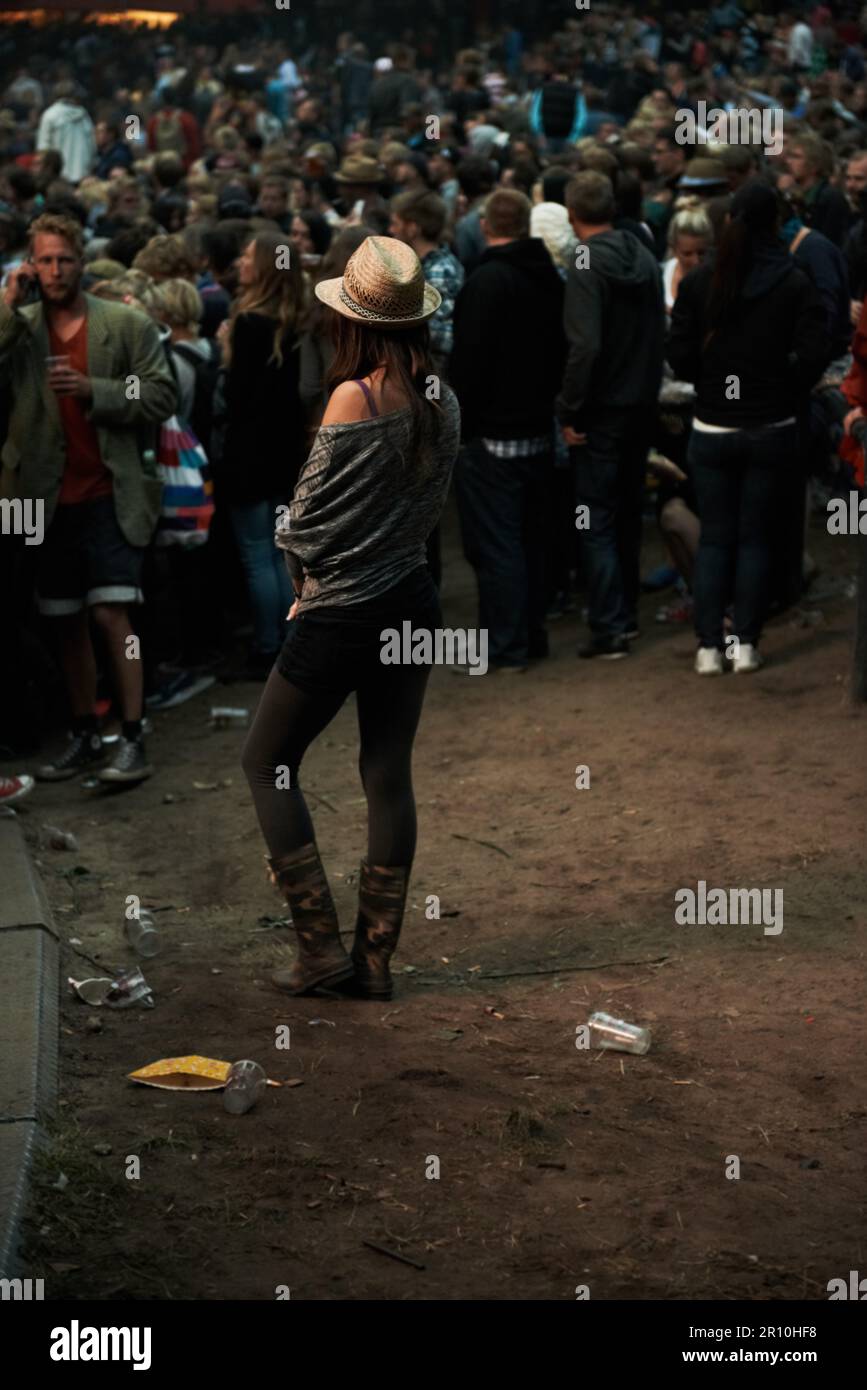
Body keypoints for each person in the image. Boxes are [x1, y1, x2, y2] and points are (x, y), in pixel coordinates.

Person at [240, 235, 460, 1000]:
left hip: (339, 613)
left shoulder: (351, 398)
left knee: (265, 762)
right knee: (386, 771)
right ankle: (373, 962)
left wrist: (301, 570)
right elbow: (426, 509)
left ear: (353, 321)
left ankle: (319, 951)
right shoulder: (443, 399)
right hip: (410, 601)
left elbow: (305, 518)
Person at [0, 213, 176, 781]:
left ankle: (132, 732)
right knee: (64, 619)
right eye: (45, 260)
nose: (55, 270)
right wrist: (6, 305)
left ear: (81, 260)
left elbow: (157, 391)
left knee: (110, 612)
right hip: (41, 500)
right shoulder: (21, 328)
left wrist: (94, 389)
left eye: (65, 259)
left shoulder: (123, 324)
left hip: (110, 490)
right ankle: (82, 733)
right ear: (31, 264)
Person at [668, 180, 829, 675]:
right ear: (776, 222)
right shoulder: (793, 280)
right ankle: (745, 643)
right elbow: (816, 352)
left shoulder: (702, 280)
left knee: (717, 537)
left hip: (713, 427)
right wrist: (783, 386)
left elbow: (680, 357)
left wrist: (713, 381)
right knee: (756, 538)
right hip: (770, 427)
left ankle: (708, 647)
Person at [451, 188, 567, 671]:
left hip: (493, 439)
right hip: (538, 431)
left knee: (497, 546)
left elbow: (469, 366)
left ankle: (505, 646)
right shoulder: (550, 278)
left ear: (484, 226)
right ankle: (529, 636)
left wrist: (464, 426)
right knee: (529, 540)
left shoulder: (486, 283)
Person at [557, 171, 666, 659]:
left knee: (596, 519)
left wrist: (570, 407)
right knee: (624, 513)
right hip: (640, 404)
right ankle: (627, 618)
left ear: (571, 214)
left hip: (602, 410)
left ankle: (610, 627)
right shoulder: (641, 253)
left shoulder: (584, 263)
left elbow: (585, 346)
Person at [216, 229, 309, 676]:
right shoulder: (297, 321)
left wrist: (225, 352)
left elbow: (236, 398)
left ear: (266, 267)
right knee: (281, 553)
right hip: (286, 455)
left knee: (258, 555)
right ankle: (291, 639)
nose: (241, 261)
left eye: (249, 255)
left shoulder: (250, 324)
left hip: (250, 457)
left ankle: (268, 646)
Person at [36, 81, 96, 184]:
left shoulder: (50, 115)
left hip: (58, 176)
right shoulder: (84, 115)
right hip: (83, 175)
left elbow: (43, 148)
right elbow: (93, 145)